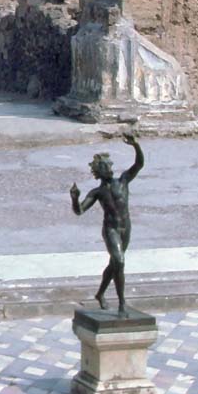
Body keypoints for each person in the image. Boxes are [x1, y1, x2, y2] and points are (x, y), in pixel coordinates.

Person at [70, 133, 144, 318]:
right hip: (111, 229)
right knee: (119, 261)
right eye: (106, 166)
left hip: (126, 228)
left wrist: (135, 146)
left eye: (110, 165)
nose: (110, 168)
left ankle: (100, 293)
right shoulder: (97, 192)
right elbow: (79, 210)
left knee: (114, 264)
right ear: (99, 171)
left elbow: (139, 164)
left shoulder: (123, 181)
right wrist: (74, 198)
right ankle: (122, 303)